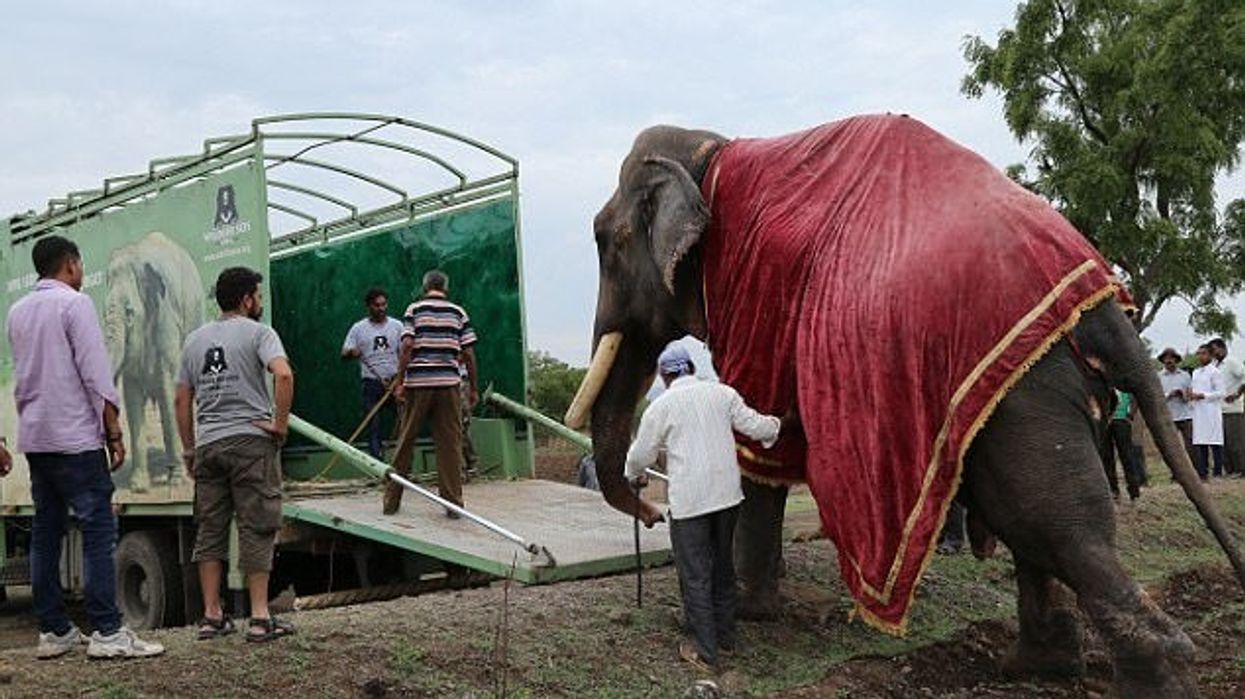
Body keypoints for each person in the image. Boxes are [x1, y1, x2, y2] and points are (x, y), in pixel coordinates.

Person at [5, 235, 163, 659]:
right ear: (71, 265)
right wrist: (114, 432)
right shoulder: (76, 305)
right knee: (98, 530)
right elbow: (96, 373)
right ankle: (108, 632)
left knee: (46, 531)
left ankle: (54, 630)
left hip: (37, 439)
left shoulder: (17, 312)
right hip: (76, 437)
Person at [624, 344, 790, 671]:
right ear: (691, 369)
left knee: (695, 574)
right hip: (728, 497)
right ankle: (726, 640)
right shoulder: (723, 394)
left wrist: (633, 474)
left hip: (691, 503)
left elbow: (639, 454)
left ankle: (705, 651)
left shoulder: (661, 407)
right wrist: (783, 424)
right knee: (723, 568)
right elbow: (758, 428)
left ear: (665, 375)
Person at [175, 267, 295, 642]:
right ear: (246, 299)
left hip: (209, 446)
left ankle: (212, 615)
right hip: (250, 442)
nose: (260, 301)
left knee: (210, 529)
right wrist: (279, 424)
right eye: (258, 295)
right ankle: (260, 618)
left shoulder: (194, 341)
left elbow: (182, 397)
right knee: (256, 525)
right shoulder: (260, 333)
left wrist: (190, 448)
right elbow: (284, 375)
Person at [384, 270, 478, 516]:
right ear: (445, 287)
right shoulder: (458, 312)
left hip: (418, 384)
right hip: (449, 385)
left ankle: (391, 503)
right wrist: (474, 388)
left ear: (424, 286)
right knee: (450, 445)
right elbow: (468, 353)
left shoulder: (414, 310)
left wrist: (401, 381)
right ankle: (453, 506)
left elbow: (406, 346)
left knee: (405, 443)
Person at [341, 287, 404, 458]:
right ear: (369, 306)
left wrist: (399, 382)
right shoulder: (358, 328)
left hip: (394, 382)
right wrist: (351, 352)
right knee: (372, 425)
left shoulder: (397, 326)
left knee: (404, 422)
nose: (382, 308)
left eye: (384, 304)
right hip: (371, 384)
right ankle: (378, 464)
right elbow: (344, 352)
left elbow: (406, 354)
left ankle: (403, 463)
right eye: (377, 305)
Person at [1208, 338, 1245, 478]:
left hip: (1233, 409)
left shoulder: (1232, 362)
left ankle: (1241, 469)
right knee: (1224, 443)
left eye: (1214, 349)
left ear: (1222, 348)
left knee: (1236, 441)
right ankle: (1230, 470)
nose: (1212, 352)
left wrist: (1237, 393)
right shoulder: (1215, 365)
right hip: (1218, 409)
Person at [1189, 344, 1226, 480]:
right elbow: (1193, 389)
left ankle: (1217, 473)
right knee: (1201, 443)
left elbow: (1221, 393)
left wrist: (1203, 395)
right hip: (1198, 411)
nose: (1201, 356)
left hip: (1211, 411)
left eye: (1204, 353)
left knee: (1215, 442)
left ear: (1210, 355)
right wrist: (1191, 396)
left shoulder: (1215, 372)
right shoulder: (1196, 372)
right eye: (1198, 353)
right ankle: (1203, 473)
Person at [1101, 390, 1144, 501]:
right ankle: (1113, 490)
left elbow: (1135, 396)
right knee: (1107, 457)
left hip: (1122, 420)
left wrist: (1130, 414)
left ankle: (1134, 491)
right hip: (1105, 420)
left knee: (1127, 456)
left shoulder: (1122, 380)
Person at [1157, 348, 1195, 462]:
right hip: (1168, 416)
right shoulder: (1158, 377)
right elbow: (1156, 397)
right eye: (1166, 358)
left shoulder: (1185, 376)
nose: (1169, 360)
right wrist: (1169, 395)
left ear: (1176, 360)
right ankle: (1176, 473)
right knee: (1172, 446)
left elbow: (1190, 395)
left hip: (1185, 415)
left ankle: (1195, 469)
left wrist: (1182, 394)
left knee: (1190, 444)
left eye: (1171, 358)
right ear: (1163, 360)